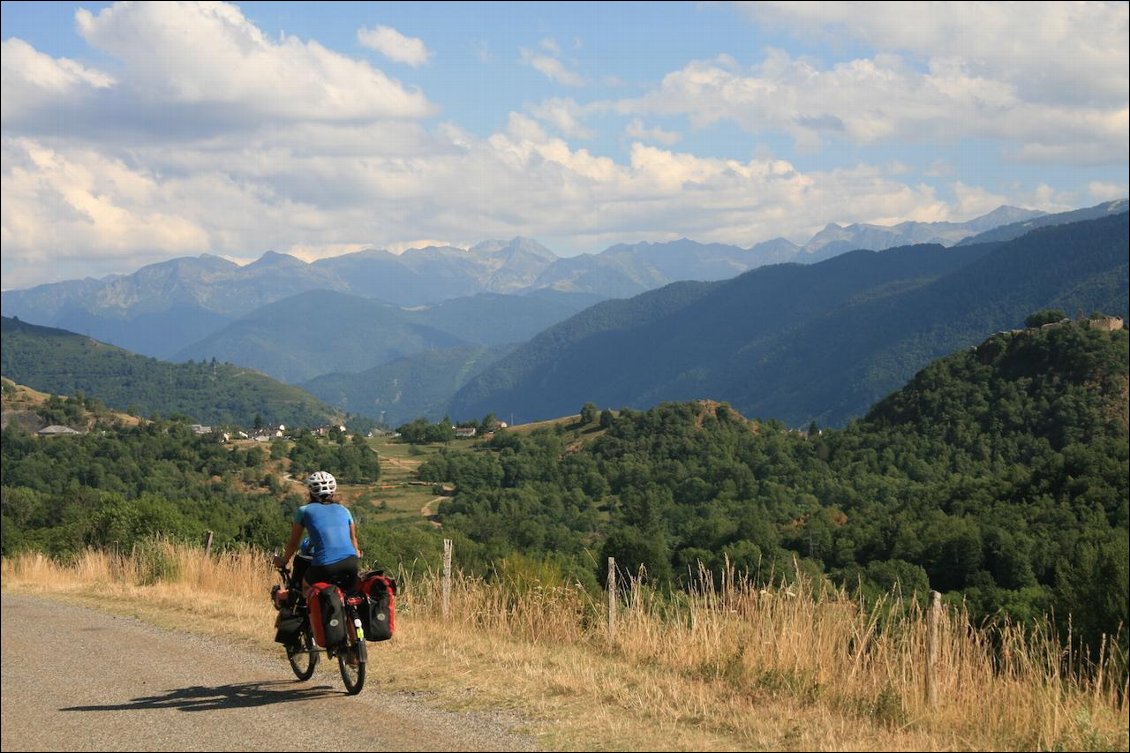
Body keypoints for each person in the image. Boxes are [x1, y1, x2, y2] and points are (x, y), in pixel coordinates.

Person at [273, 471, 361, 589]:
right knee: (349, 596)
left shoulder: (304, 511)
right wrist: (357, 554)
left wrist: (283, 560)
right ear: (333, 491)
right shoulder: (344, 510)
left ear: (311, 492)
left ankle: (303, 607)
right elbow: (353, 539)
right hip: (351, 563)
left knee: (304, 587)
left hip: (325, 565)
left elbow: (293, 544)